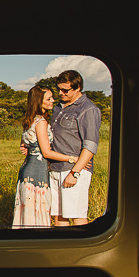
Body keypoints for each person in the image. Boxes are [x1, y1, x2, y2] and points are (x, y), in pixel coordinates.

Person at [14, 85, 77, 227]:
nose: (53, 100)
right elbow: (46, 152)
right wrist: (72, 158)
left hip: (27, 169)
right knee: (37, 210)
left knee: (28, 211)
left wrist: (26, 147)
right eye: (48, 99)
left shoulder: (29, 120)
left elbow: (24, 143)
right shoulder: (41, 122)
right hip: (37, 172)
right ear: (39, 101)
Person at [48, 70, 101, 226]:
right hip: (55, 167)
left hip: (72, 169)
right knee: (59, 217)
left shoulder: (88, 109)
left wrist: (75, 172)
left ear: (78, 88)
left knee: (77, 216)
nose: (60, 93)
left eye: (65, 90)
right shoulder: (58, 107)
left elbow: (90, 145)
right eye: (59, 89)